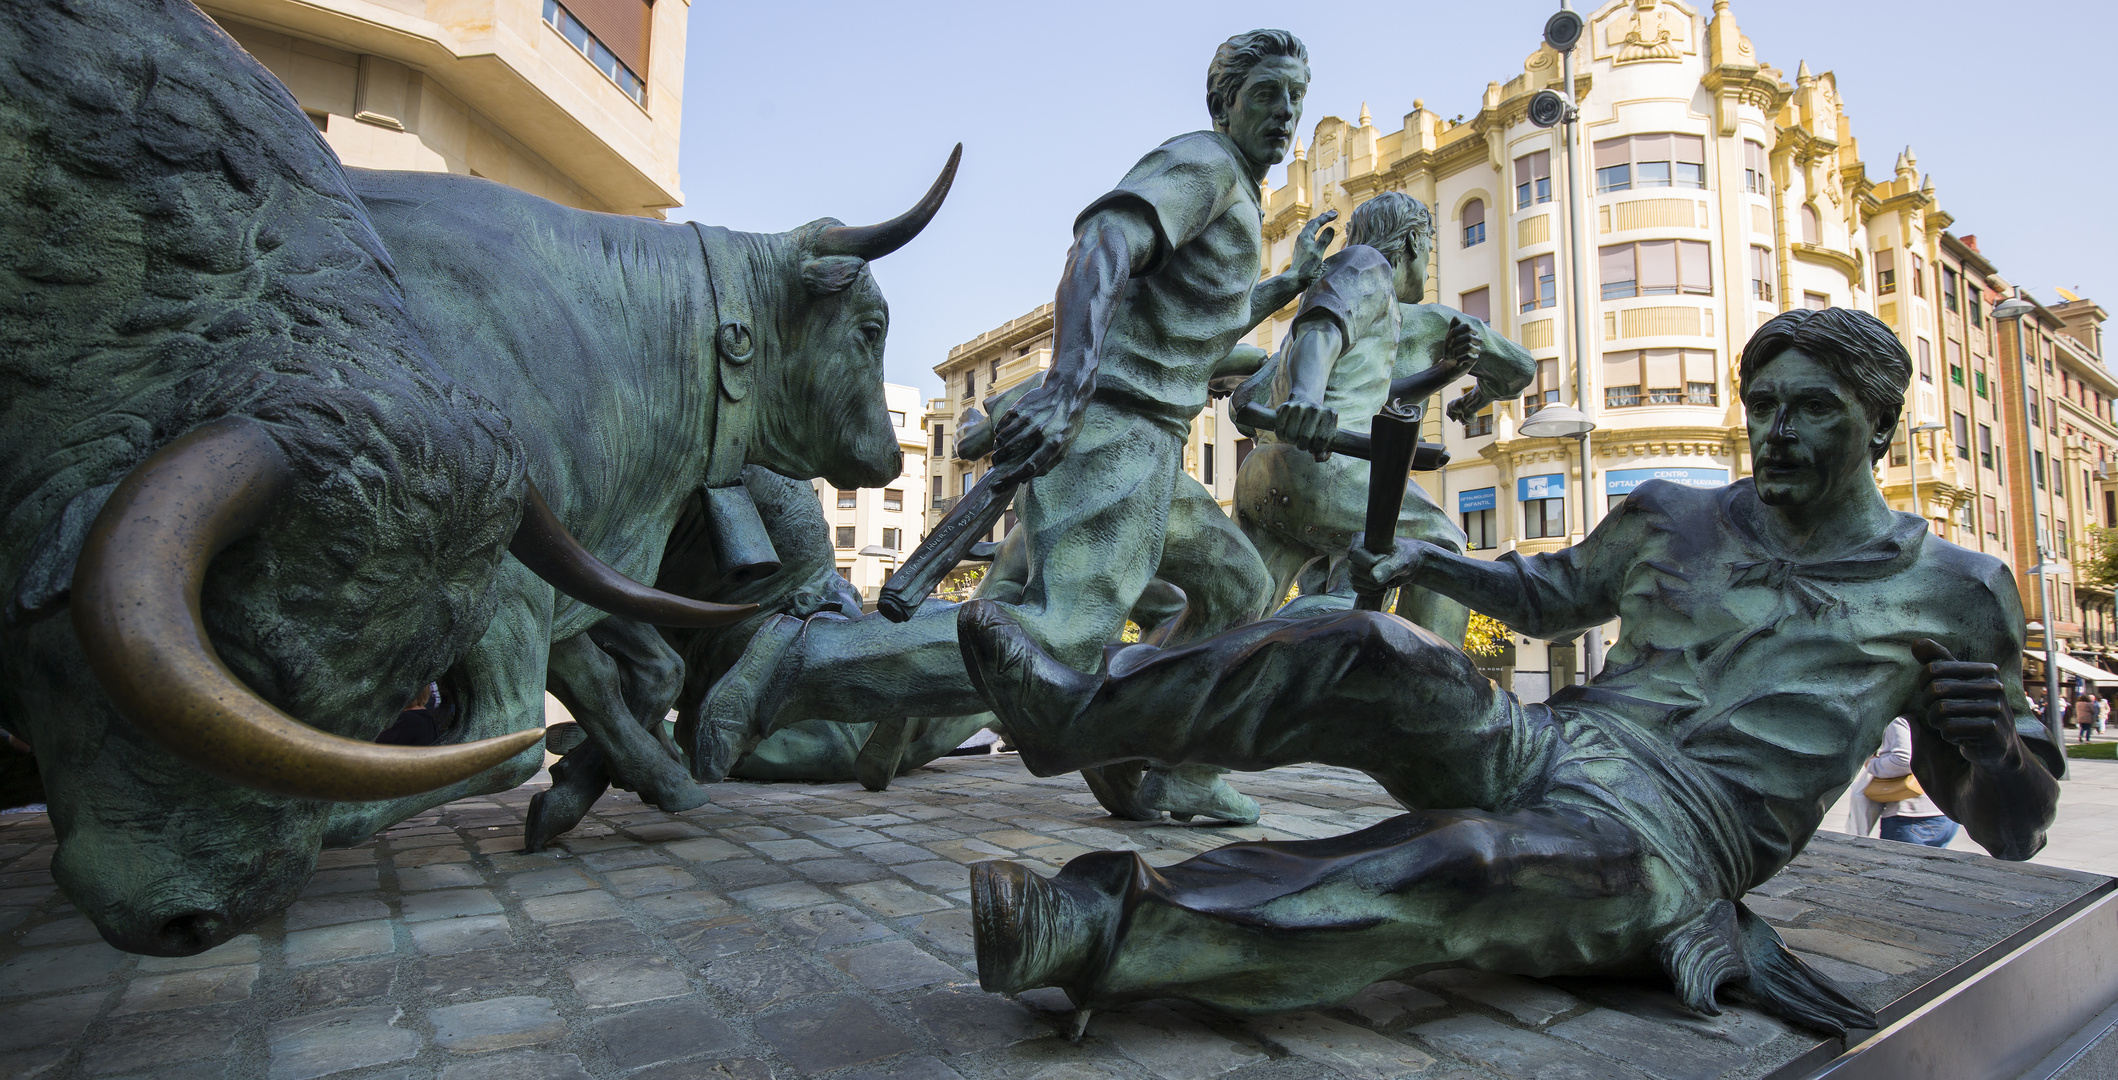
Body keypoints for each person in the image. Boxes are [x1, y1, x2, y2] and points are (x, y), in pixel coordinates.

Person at [955, 308, 2061, 1034]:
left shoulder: (1954, 592)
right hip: (1554, 742)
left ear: (1878, 425)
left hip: (1676, 842)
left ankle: (1098, 926)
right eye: (1762, 405)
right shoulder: (1672, 516)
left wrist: (1994, 748)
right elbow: (1544, 596)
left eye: (1811, 410)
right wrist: (1428, 561)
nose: (1775, 432)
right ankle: (1073, 711)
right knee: (1366, 646)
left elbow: (2013, 826)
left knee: (1464, 861)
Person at [690, 30, 1337, 824]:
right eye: (1268, 95)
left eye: (1295, 101)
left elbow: (1198, 323)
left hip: (1155, 445)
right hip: (1114, 428)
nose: (1285, 115)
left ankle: (1169, 763)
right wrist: (1065, 383)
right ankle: (798, 662)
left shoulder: (1237, 191)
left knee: (1238, 588)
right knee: (1060, 638)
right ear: (1226, 101)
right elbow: (1103, 242)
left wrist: (1292, 283)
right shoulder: (1202, 163)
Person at [1231, 191, 1532, 630]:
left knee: (1238, 615)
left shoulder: (1316, 333)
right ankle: (1428, 685)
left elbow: (1245, 401)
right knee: (1441, 551)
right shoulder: (1376, 275)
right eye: (1427, 246)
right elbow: (1519, 370)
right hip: (1329, 472)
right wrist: (1307, 398)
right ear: (1412, 243)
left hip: (1264, 477)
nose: (1428, 260)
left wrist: (1446, 377)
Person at [1849, 717, 1959, 846]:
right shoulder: (1939, 716)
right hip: (1945, 812)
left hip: (1911, 815)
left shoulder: (1899, 718)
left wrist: (1871, 763)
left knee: (1893, 863)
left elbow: (1904, 761)